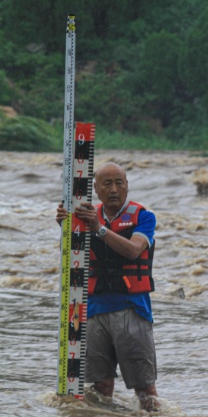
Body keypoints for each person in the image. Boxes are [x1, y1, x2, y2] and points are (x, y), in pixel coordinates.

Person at [56, 162, 159, 411]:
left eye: (119, 183)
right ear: (96, 189)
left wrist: (98, 229)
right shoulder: (87, 215)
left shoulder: (143, 216)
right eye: (107, 184)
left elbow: (134, 251)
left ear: (127, 186)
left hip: (132, 310)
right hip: (92, 311)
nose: (114, 189)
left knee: (145, 391)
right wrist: (66, 226)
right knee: (100, 389)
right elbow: (70, 255)